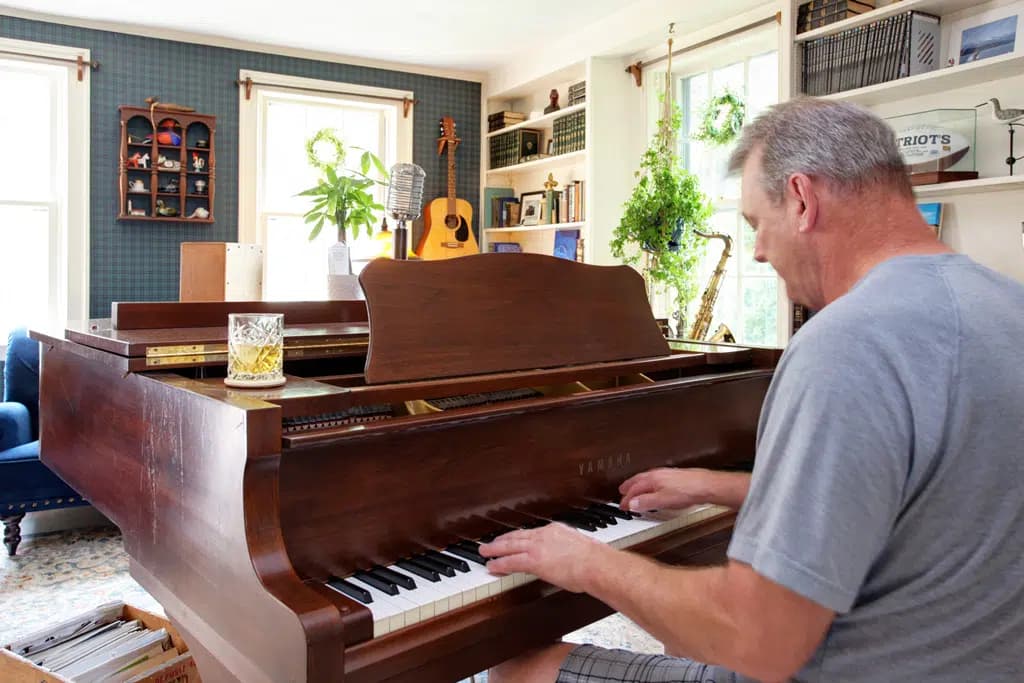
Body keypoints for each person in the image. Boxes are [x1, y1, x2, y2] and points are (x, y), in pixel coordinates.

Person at [479, 97, 1024, 682]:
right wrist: (720, 486)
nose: (759, 250)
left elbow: (758, 640)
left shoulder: (846, 345)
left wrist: (590, 562)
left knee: (518, 666)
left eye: (756, 224)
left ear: (802, 200)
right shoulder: (1006, 306)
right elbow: (916, 490)